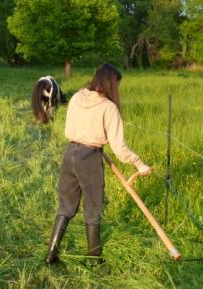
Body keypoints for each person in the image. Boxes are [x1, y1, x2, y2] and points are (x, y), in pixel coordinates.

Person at [45, 63, 152, 264]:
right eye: (117, 85)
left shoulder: (76, 97)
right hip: (89, 158)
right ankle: (94, 258)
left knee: (66, 206)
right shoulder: (108, 108)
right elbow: (119, 148)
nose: (117, 90)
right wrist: (140, 164)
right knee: (93, 208)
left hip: (70, 154)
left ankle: (51, 255)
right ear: (111, 83)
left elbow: (70, 127)